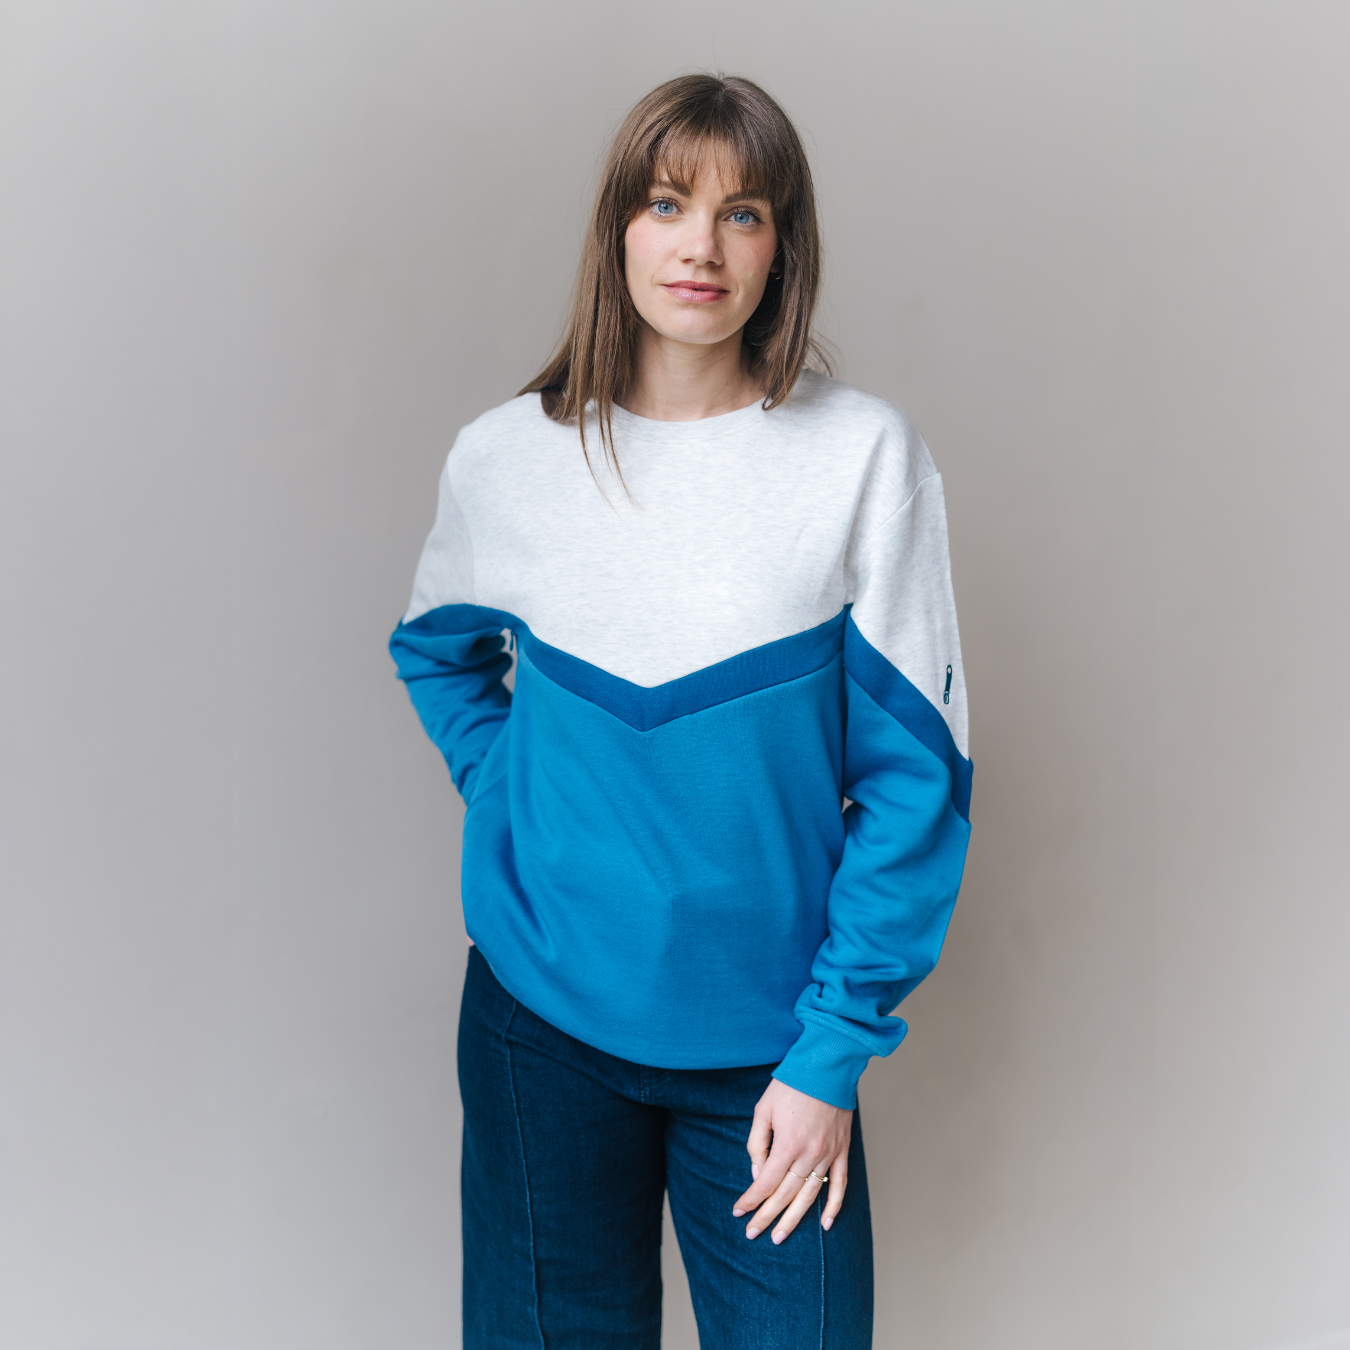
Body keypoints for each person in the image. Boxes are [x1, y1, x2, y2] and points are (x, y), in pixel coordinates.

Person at [389, 72, 971, 1350]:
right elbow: (436, 653)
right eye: (666, 204)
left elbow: (918, 785)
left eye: (741, 213)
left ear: (783, 249)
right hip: (538, 1028)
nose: (700, 244)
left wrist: (830, 1053)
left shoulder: (862, 459)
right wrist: (509, 789)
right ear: (618, 231)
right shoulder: (507, 458)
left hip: (772, 1054)